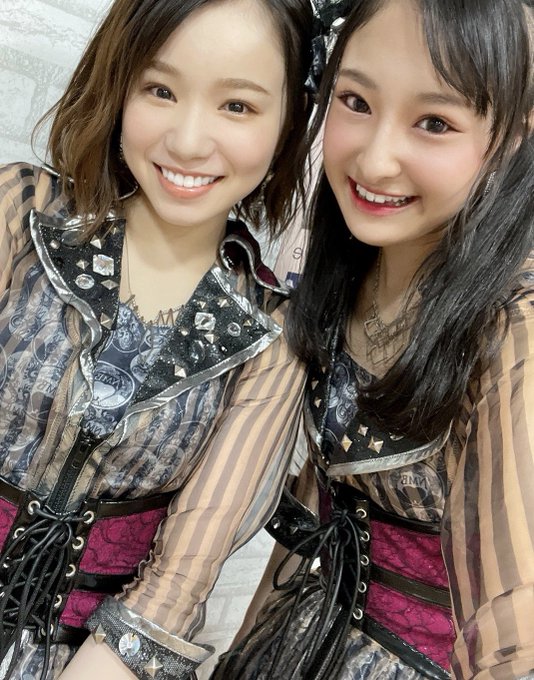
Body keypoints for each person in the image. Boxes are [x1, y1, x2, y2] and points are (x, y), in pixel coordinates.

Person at [211, 0, 534, 678]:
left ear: (514, 136)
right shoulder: (351, 273)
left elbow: (516, 628)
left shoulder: (514, 331)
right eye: (355, 101)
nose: (375, 158)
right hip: (294, 641)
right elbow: (315, 523)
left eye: (435, 122)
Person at [0, 0, 315, 677]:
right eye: (161, 90)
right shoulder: (20, 214)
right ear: (120, 85)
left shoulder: (271, 336)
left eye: (238, 106)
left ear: (288, 123)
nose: (190, 141)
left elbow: (175, 587)